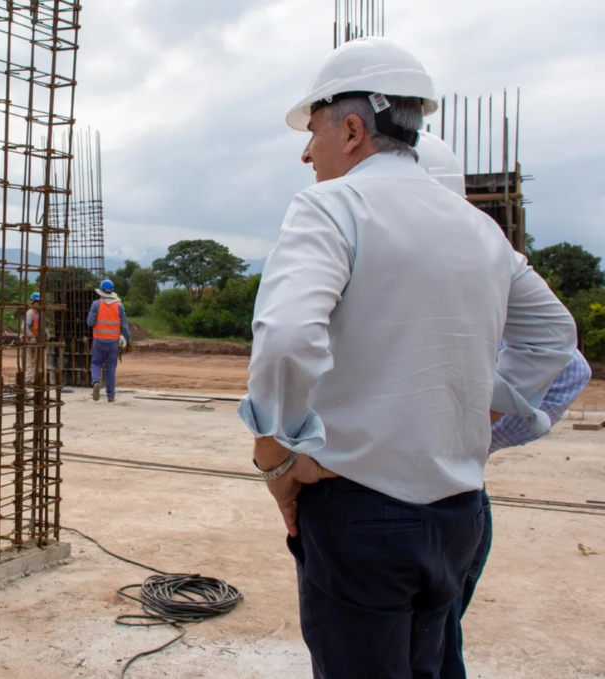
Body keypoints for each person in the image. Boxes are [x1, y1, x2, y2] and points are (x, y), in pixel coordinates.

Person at [239, 37, 577, 678]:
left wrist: (276, 452)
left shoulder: (332, 206)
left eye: (312, 130)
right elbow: (554, 339)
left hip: (360, 511)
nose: (306, 151)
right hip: (457, 517)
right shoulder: (478, 227)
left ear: (353, 128)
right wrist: (470, 400)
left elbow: (284, 337)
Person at [415, 130, 593, 679]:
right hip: (459, 498)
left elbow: (566, 365)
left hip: (405, 504)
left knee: (419, 651)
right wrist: (479, 430)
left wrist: (478, 422)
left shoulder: (476, 264)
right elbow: (567, 366)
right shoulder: (484, 264)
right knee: (435, 650)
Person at [87, 279, 131, 402]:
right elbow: (124, 326)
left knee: (96, 364)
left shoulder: (96, 304)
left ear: (100, 291)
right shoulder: (119, 305)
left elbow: (90, 323)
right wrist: (129, 340)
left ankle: (96, 381)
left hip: (99, 340)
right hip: (113, 342)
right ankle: (111, 396)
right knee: (111, 368)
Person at [24, 292, 43, 383]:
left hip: (39, 341)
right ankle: (28, 380)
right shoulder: (30, 313)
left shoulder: (40, 313)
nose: (40, 304)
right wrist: (31, 337)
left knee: (39, 361)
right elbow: (24, 327)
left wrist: (46, 335)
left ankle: (37, 379)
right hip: (32, 341)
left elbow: (42, 326)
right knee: (31, 361)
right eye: (38, 302)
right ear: (34, 302)